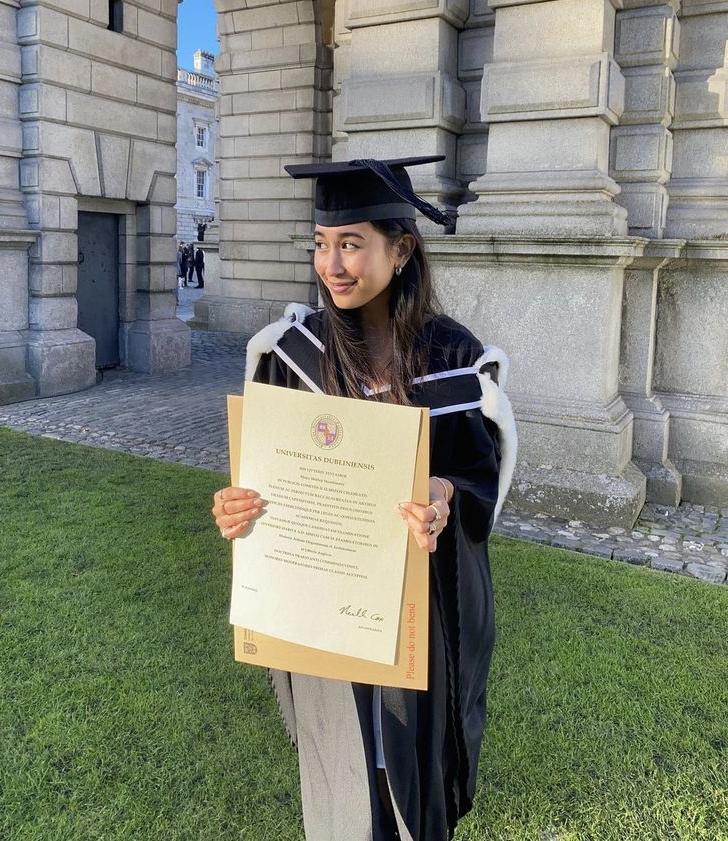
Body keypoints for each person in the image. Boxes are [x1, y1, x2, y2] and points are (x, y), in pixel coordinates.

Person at [211, 157, 517, 841]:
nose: (332, 263)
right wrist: (239, 508)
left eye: (351, 243)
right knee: (341, 781)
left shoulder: (451, 357)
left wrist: (443, 495)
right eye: (321, 243)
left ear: (401, 249)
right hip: (323, 608)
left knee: (410, 772)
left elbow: (478, 478)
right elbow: (267, 481)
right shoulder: (294, 353)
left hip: (415, 606)